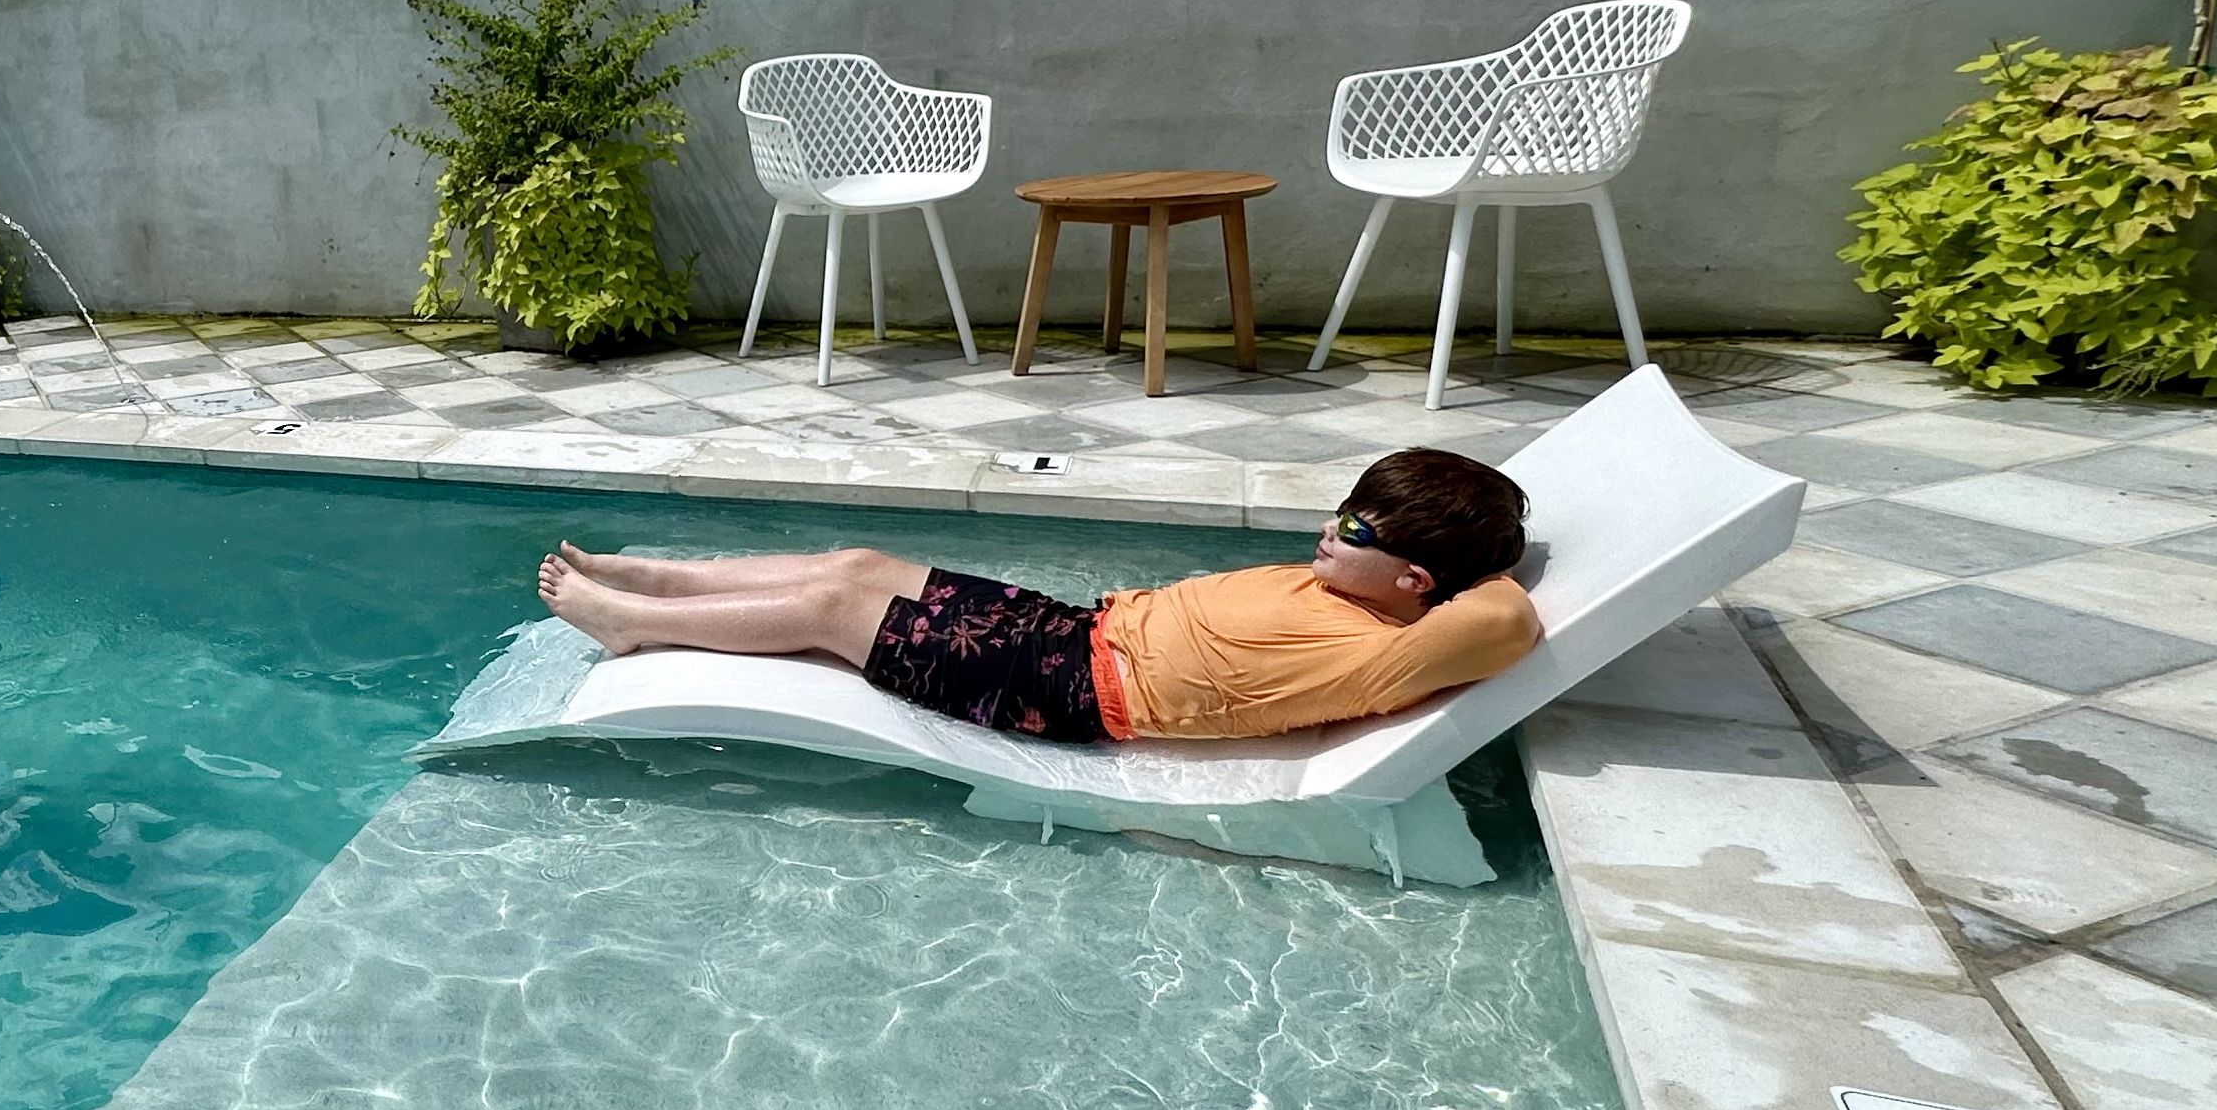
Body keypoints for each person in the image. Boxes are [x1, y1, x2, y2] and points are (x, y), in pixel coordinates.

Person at [534, 448, 1539, 742]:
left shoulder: (1386, 647)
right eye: (1340, 510)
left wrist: (1474, 571)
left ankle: (635, 626)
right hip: (1075, 627)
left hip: (1073, 693)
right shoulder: (1348, 591)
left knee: (837, 618)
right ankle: (667, 580)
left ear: (1417, 580)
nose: (1329, 531)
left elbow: (1506, 618)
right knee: (859, 568)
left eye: (1356, 530)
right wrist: (1379, 556)